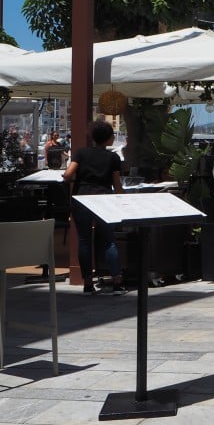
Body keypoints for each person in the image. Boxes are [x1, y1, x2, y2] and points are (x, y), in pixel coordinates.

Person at [63, 120, 125, 295]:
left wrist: (76, 179)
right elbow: (117, 185)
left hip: (82, 199)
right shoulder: (113, 158)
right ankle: (117, 282)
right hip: (103, 200)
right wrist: (123, 198)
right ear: (108, 138)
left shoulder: (81, 153)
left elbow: (67, 175)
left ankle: (88, 284)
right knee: (109, 241)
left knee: (84, 240)